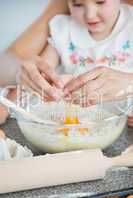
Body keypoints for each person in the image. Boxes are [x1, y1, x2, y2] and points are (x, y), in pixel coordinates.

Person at [1, 0, 133, 126]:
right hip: (76, 117)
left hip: (119, 119)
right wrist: (8, 105)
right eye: (78, 4)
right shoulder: (63, 30)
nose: (90, 15)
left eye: (100, 2)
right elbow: (39, 76)